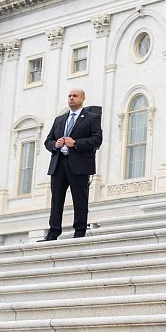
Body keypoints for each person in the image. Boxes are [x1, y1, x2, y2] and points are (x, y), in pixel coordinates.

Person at [43, 88, 102, 241]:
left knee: (80, 199)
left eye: (75, 96)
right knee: (56, 199)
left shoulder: (91, 118)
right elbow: (47, 141)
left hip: (80, 165)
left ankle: (80, 232)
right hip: (59, 163)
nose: (71, 98)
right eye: (69, 96)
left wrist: (75, 143)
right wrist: (55, 144)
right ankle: (53, 232)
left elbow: (97, 140)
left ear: (82, 98)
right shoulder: (59, 120)